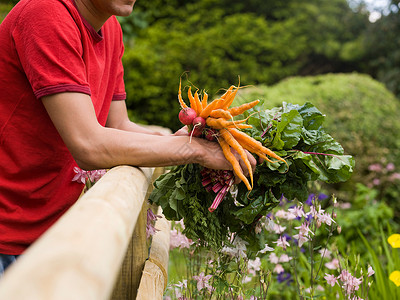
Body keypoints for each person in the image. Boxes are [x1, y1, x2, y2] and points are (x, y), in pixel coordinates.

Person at [0, 0, 256, 275]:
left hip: (50, 232)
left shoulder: (110, 29)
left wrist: (191, 138)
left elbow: (119, 124)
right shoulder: (45, 14)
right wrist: (196, 151)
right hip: (6, 229)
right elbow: (87, 145)